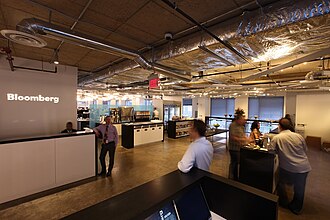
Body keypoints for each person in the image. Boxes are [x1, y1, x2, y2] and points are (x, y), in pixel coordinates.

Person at [270, 118, 311, 215]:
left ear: (280, 126)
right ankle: (296, 208)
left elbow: (271, 151)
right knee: (299, 189)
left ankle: (284, 203)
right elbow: (305, 150)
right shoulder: (299, 136)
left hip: (288, 167)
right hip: (304, 167)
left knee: (281, 183)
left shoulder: (277, 138)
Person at [228, 114, 249, 181]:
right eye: (242, 119)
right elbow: (232, 137)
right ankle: (231, 177)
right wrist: (243, 140)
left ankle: (236, 177)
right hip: (234, 148)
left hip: (241, 148)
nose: (244, 121)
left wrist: (247, 140)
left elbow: (243, 135)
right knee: (234, 162)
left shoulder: (242, 126)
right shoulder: (232, 125)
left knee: (237, 162)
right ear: (238, 119)